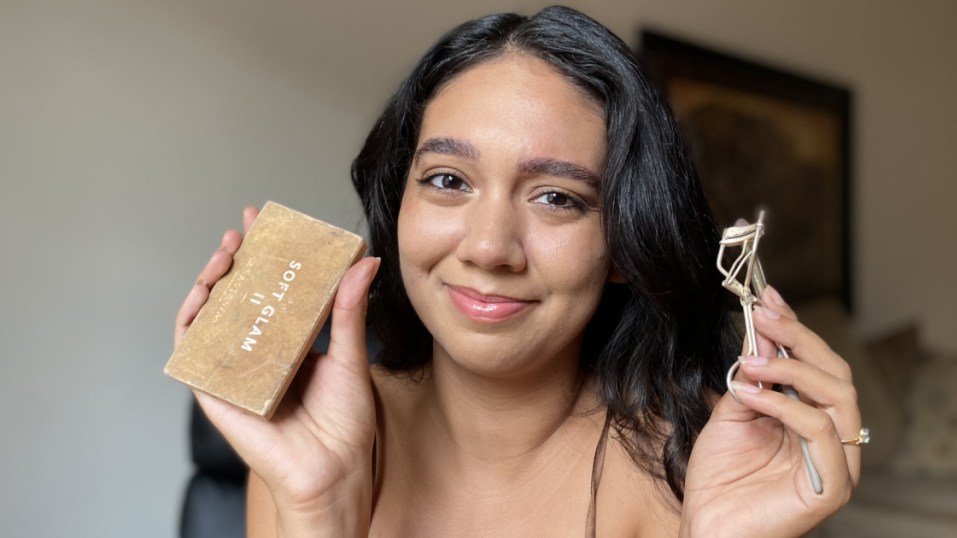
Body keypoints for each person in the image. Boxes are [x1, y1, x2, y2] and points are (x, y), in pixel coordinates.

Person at [175, 6, 862, 536]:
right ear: (400, 205)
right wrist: (319, 513)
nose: (489, 247)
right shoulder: (309, 441)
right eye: (448, 180)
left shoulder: (699, 458)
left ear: (624, 244)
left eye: (557, 198)